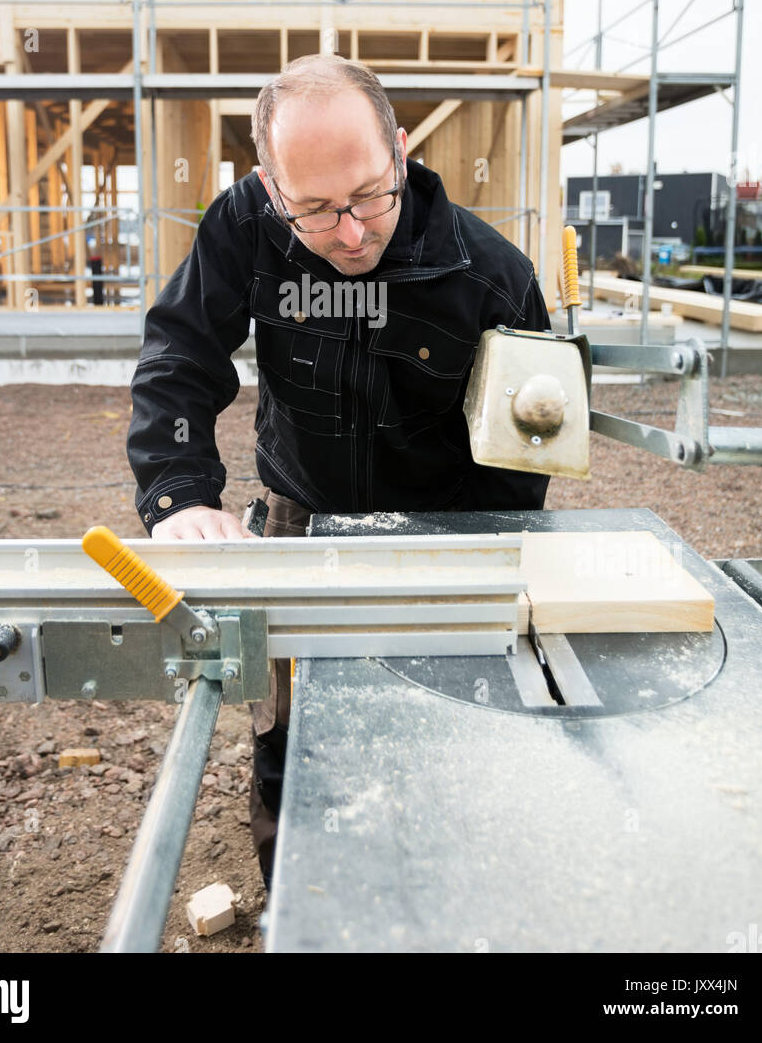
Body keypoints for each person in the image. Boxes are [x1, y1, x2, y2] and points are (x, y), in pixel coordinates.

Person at [126, 54, 551, 891]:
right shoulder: (244, 226)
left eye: (368, 196)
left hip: (444, 531)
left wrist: (478, 578)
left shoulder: (491, 276)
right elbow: (180, 352)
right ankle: (300, 908)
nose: (351, 233)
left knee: (445, 730)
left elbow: (520, 464)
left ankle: (442, 902)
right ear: (269, 187)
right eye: (316, 211)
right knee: (291, 746)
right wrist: (177, 492)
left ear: (399, 150)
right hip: (299, 516)